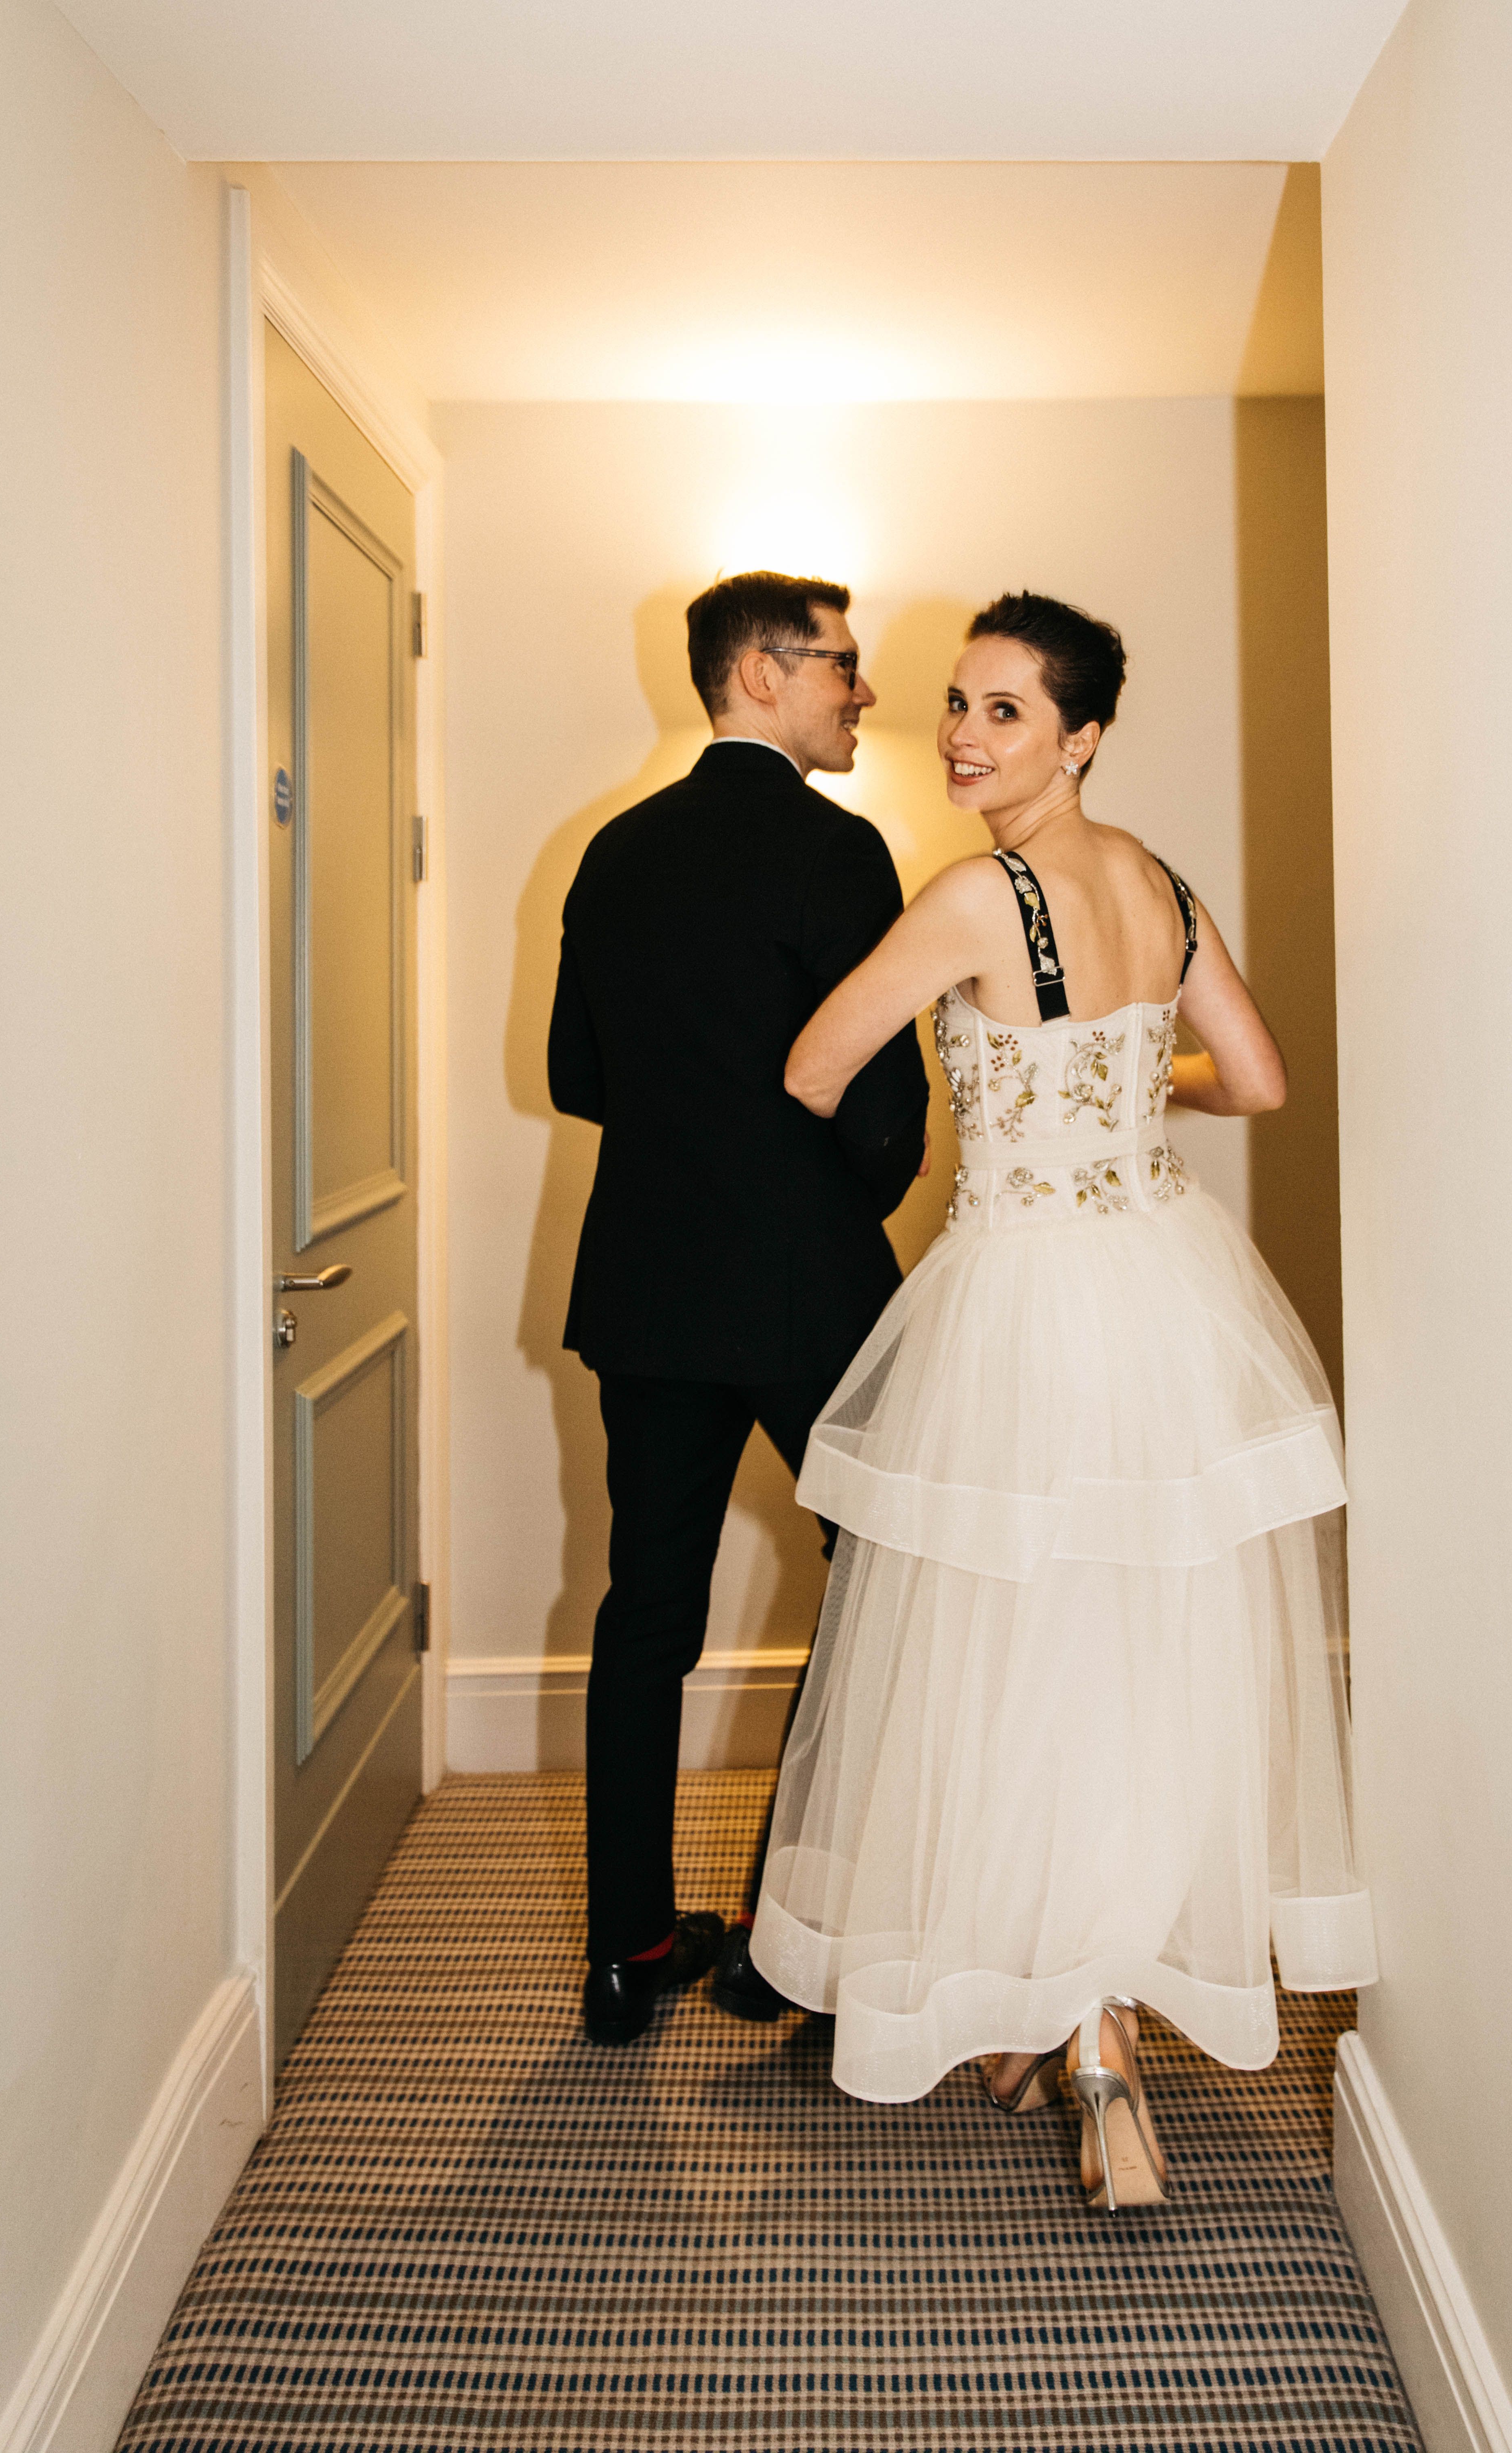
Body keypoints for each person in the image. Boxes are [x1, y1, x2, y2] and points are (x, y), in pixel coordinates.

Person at [749, 589, 1377, 2209]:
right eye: (956, 703)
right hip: (1167, 1284)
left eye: (1005, 711)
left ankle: (1080, 2040)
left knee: (1015, 1651)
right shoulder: (1160, 884)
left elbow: (817, 1069)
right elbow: (1254, 1078)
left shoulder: (974, 897)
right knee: (1136, 1650)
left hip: (1024, 1296)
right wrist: (1111, 1077)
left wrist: (988, 1075)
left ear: (1083, 733)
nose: (961, 732)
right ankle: (1079, 2009)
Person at [548, 570, 929, 2046]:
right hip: (807, 1290)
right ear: (762, 677)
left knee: (648, 1614)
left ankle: (628, 1951)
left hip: (644, 1287)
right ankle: (792, 1936)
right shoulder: (843, 851)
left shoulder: (613, 850)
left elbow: (581, 1078)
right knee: (895, 1582)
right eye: (844, 666)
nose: (864, 693)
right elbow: (882, 1114)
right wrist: (836, 1213)